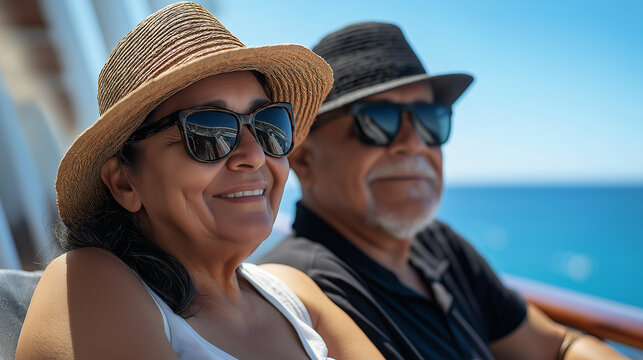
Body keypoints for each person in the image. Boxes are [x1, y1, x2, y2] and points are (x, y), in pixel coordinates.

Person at [15, 3, 384, 359]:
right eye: (209, 132)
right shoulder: (87, 283)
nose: (254, 155)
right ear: (125, 182)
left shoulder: (295, 292)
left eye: (269, 125)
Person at [259, 22, 627, 360]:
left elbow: (558, 346)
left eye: (429, 119)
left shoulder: (438, 246)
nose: (413, 142)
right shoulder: (306, 296)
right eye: (378, 121)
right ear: (304, 157)